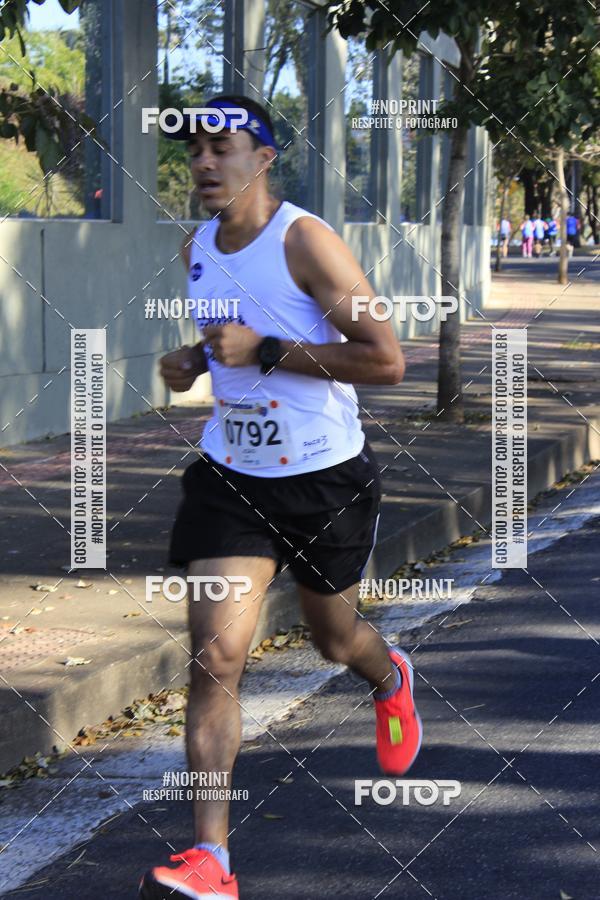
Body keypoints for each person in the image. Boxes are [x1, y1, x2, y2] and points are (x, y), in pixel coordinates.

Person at [138, 95, 423, 900]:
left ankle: (389, 679)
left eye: (221, 148)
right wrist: (196, 361)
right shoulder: (196, 245)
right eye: (194, 150)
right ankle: (212, 860)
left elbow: (386, 360)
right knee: (216, 657)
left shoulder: (306, 241)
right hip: (231, 476)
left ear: (263, 158)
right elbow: (228, 339)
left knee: (334, 638)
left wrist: (265, 350)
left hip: (325, 477)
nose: (203, 163)